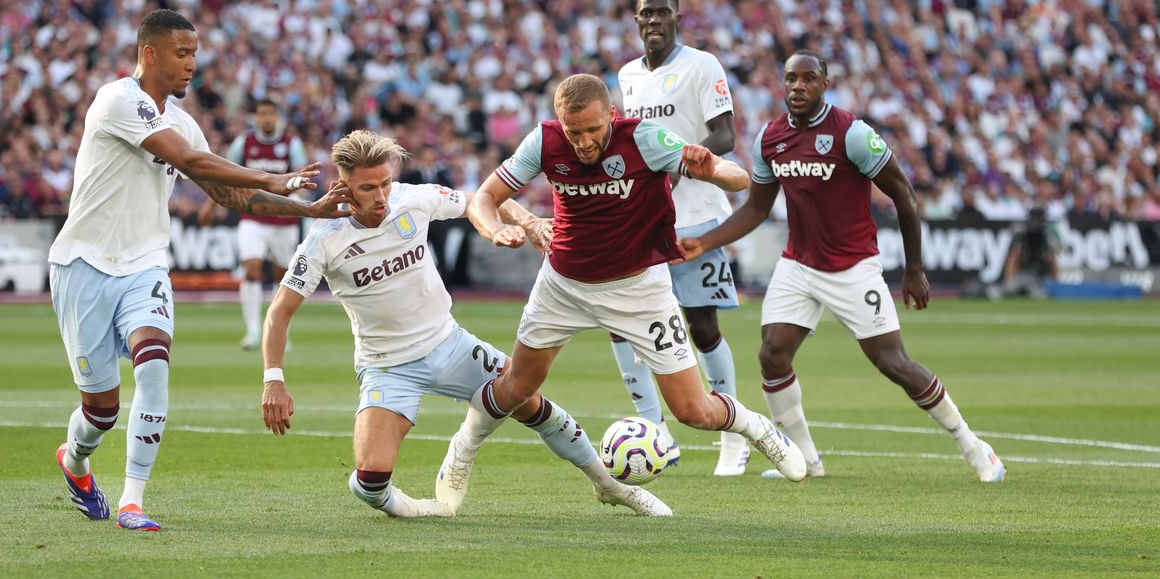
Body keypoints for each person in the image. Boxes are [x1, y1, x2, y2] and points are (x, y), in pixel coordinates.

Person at [49, 9, 355, 532]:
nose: (192, 65)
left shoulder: (185, 124)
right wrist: (274, 176)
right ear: (150, 53)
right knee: (100, 410)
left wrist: (309, 210)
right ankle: (75, 460)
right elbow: (192, 163)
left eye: (195, 54)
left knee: (154, 363)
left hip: (145, 265)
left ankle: (132, 501)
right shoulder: (117, 100)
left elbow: (227, 192)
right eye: (181, 53)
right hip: (82, 265)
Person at [259, 130, 670, 517]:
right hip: (387, 365)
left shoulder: (412, 199)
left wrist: (527, 223)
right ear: (343, 185)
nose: (382, 195)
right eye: (368, 188)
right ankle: (423, 509)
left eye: (385, 183)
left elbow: (484, 199)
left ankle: (611, 486)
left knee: (530, 399)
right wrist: (273, 379)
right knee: (369, 484)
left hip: (450, 344)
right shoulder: (323, 239)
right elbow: (280, 311)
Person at [446, 74, 807, 509]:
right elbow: (485, 197)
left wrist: (710, 168)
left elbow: (739, 179)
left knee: (693, 411)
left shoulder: (646, 138)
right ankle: (461, 450)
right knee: (516, 386)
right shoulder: (544, 141)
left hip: (640, 289)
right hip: (564, 285)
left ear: (611, 116)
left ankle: (756, 427)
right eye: (573, 131)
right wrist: (494, 230)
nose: (582, 141)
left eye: (592, 130)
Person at [677, 51, 1005, 483]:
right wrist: (706, 241)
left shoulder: (852, 134)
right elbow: (757, 208)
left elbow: (904, 194)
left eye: (808, 79)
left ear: (824, 84)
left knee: (893, 362)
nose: (798, 86)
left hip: (854, 267)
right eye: (791, 79)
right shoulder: (770, 139)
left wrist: (914, 269)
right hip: (799, 265)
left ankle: (974, 447)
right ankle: (806, 461)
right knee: (772, 355)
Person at [613, 0, 749, 475]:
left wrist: (679, 161)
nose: (653, 20)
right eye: (645, 13)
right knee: (622, 324)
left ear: (676, 18)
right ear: (635, 21)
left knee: (703, 325)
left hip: (696, 216)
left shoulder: (702, 65)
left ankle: (733, 435)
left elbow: (725, 135)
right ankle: (653, 432)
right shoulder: (627, 75)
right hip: (642, 220)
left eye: (661, 12)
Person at [198, 98, 308, 350]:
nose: (266, 119)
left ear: (277, 117)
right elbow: (224, 175)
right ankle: (253, 332)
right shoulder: (243, 143)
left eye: (271, 114)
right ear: (255, 118)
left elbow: (302, 177)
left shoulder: (291, 145)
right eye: (262, 114)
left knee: (284, 277)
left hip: (284, 220)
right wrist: (209, 205)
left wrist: (301, 202)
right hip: (252, 217)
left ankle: (280, 331)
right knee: (251, 268)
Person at [1001, 206, 1059, 299]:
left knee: (1039, 295)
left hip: (1038, 278)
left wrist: (1055, 283)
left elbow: (1052, 261)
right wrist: (1009, 279)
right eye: (1036, 218)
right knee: (1009, 290)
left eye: (1040, 218)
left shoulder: (1045, 236)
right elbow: (1013, 258)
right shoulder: (1022, 235)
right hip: (1021, 275)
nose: (1038, 221)